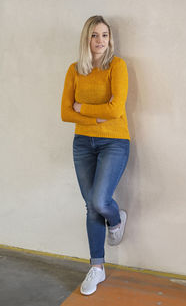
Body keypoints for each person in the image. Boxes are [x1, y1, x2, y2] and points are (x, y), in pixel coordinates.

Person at [61, 15, 131, 296]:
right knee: (91, 206)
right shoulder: (74, 69)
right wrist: (94, 117)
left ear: (110, 39)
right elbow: (66, 112)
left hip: (115, 142)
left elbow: (115, 111)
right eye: (94, 35)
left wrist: (84, 109)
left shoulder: (118, 66)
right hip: (82, 144)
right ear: (86, 39)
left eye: (104, 35)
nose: (100, 40)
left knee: (100, 200)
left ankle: (115, 219)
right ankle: (97, 267)